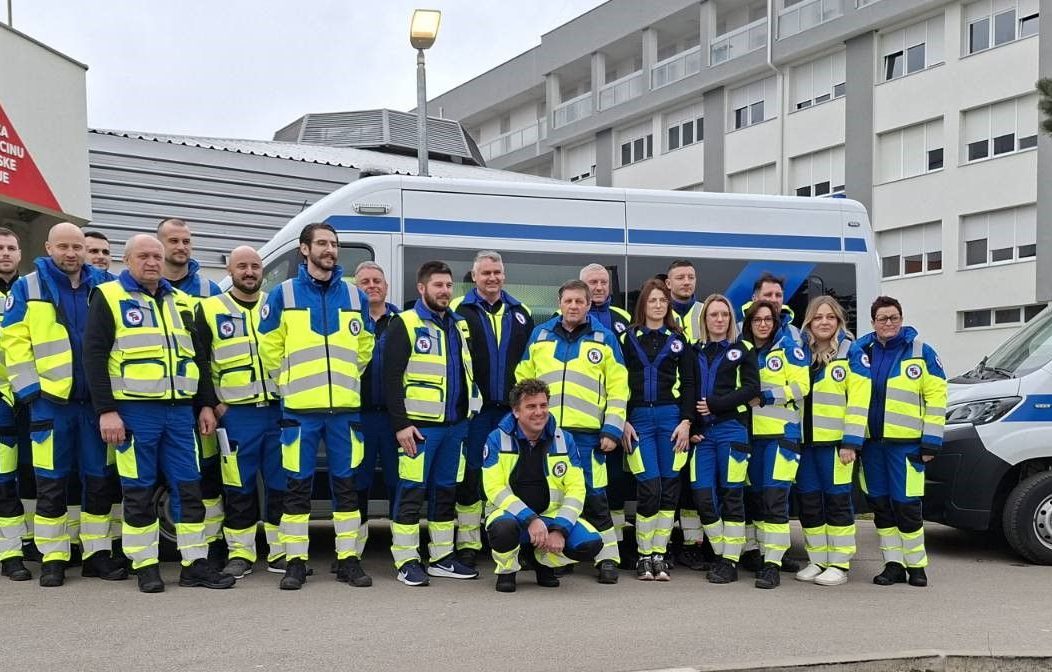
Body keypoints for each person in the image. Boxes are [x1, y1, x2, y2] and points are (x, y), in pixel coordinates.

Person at [83, 234, 235, 593]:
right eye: (143, 256)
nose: (151, 262)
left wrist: (204, 405)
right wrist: (106, 411)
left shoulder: (182, 302)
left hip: (180, 413)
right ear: (128, 260)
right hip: (135, 413)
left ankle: (194, 563)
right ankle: (145, 565)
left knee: (190, 488)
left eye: (156, 256)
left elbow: (197, 358)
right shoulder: (108, 297)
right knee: (138, 491)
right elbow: (94, 357)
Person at [2, 223, 125, 588]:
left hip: (95, 404)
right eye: (63, 247)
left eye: (77, 247)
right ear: (48, 247)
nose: (71, 253)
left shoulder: (106, 286)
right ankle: (54, 557)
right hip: (50, 405)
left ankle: (96, 554)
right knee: (51, 484)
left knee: (99, 482)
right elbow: (14, 343)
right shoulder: (29, 287)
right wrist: (30, 393)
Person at [258, 223, 375, 591]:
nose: (330, 249)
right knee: (297, 488)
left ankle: (348, 560)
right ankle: (295, 561)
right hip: (299, 411)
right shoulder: (284, 294)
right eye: (322, 243)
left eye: (334, 244)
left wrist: (346, 380)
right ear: (305, 249)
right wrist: (289, 381)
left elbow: (365, 346)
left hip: (343, 410)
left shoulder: (355, 296)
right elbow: (268, 346)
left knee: (346, 487)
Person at [517, 279, 628, 584]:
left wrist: (612, 429)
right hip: (547, 434)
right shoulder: (540, 335)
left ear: (589, 305)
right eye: (569, 301)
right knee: (551, 496)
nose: (574, 306)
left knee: (595, 496)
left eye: (580, 301)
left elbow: (619, 389)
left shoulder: (604, 338)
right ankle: (556, 557)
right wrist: (525, 425)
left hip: (589, 435)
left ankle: (607, 557)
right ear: (560, 302)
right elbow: (523, 383)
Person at [384, 260, 482, 587]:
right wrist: (401, 424)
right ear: (422, 288)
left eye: (448, 286)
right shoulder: (406, 323)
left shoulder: (458, 324)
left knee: (445, 493)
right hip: (420, 431)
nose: (444, 291)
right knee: (411, 494)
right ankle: (407, 560)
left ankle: (441, 558)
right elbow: (391, 379)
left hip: (455, 429)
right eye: (438, 285)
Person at [195, 246, 285, 579]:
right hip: (236, 415)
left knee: (281, 484)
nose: (249, 272)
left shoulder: (275, 305)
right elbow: (201, 362)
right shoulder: (210, 308)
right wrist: (212, 403)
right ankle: (241, 553)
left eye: (255, 266)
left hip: (277, 411)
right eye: (242, 266)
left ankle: (280, 552)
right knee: (238, 486)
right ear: (230, 270)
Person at [451, 250, 534, 568]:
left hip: (510, 412)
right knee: (471, 475)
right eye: (486, 273)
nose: (492, 278)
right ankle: (470, 543)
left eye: (497, 272)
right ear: (474, 276)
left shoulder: (521, 312)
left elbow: (529, 365)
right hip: (474, 411)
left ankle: (509, 539)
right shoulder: (460, 310)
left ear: (504, 275)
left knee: (511, 475)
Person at [856, 296, 946, 588]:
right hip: (871, 446)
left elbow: (936, 399)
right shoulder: (861, 350)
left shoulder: (922, 352)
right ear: (873, 323)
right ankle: (893, 564)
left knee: (907, 506)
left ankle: (916, 565)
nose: (889, 323)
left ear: (901, 318)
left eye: (894, 317)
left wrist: (931, 440)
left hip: (906, 446)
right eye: (882, 318)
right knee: (881, 506)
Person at [482, 378, 603, 592]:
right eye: (531, 406)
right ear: (516, 411)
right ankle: (507, 569)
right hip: (510, 517)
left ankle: (543, 561)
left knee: (591, 543)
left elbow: (576, 490)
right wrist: (530, 519)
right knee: (503, 529)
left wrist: (560, 529)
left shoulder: (564, 440)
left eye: (543, 405)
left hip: (551, 517)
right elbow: (495, 488)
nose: (539, 412)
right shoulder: (496, 439)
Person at [156, 217, 225, 567]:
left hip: (196, 405)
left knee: (203, 475)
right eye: (173, 241)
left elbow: (209, 354)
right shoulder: (140, 287)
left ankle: (208, 547)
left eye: (186, 241)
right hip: (151, 404)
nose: (181, 247)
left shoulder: (208, 290)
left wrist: (208, 402)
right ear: (160, 245)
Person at [619, 279, 694, 581]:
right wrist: (621, 420)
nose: (658, 305)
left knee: (669, 488)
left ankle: (659, 555)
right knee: (649, 488)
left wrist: (687, 421)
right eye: (652, 300)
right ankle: (643, 555)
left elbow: (690, 384)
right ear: (643, 304)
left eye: (663, 300)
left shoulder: (678, 340)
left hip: (671, 419)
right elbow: (616, 383)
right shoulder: (626, 338)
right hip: (638, 420)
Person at [796, 296, 870, 587]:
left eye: (830, 317)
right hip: (805, 444)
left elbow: (859, 400)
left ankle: (839, 562)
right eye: (817, 318)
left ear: (839, 322)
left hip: (837, 445)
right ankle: (818, 559)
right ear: (809, 323)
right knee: (810, 503)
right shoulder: (801, 353)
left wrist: (851, 442)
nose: (824, 322)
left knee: (838, 501)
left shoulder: (853, 353)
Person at [690, 294, 759, 585]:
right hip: (702, 435)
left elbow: (752, 389)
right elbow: (688, 390)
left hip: (731, 429)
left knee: (732, 496)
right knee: (703, 496)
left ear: (731, 319)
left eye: (724, 315)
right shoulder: (694, 350)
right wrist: (692, 424)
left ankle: (729, 560)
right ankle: (724, 552)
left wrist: (717, 405)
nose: (719, 320)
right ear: (704, 320)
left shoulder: (743, 348)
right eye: (713, 315)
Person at [741, 300, 810, 589]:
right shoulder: (742, 351)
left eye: (768, 319)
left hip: (781, 435)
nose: (763, 324)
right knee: (755, 499)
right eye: (757, 319)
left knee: (775, 500)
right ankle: (759, 554)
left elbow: (801, 386)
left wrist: (766, 396)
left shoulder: (788, 350)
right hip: (751, 437)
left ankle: (773, 563)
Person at [352, 261, 401, 558]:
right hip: (359, 417)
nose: (372, 286)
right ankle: (352, 551)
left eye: (377, 281)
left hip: (395, 419)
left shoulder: (403, 321)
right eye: (365, 282)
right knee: (357, 483)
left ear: (386, 286)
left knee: (398, 483)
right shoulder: (348, 319)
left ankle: (402, 552)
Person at [665, 259, 708, 569]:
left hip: (701, 411)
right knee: (668, 483)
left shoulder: (706, 312)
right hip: (669, 413)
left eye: (690, 277)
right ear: (668, 283)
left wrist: (696, 419)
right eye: (679, 277)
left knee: (693, 488)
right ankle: (664, 543)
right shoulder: (658, 313)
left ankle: (692, 544)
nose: (686, 282)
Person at [0, 227, 40, 565]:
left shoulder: (30, 290)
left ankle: (28, 539)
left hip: (26, 394)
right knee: (2, 477)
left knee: (29, 472)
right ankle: (8, 552)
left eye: (11, 247)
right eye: (0, 248)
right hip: (1, 398)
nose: (6, 253)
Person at [579, 263, 631, 335]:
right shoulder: (565, 314)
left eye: (604, 282)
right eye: (593, 282)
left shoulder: (623, 316)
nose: (599, 288)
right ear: (581, 286)